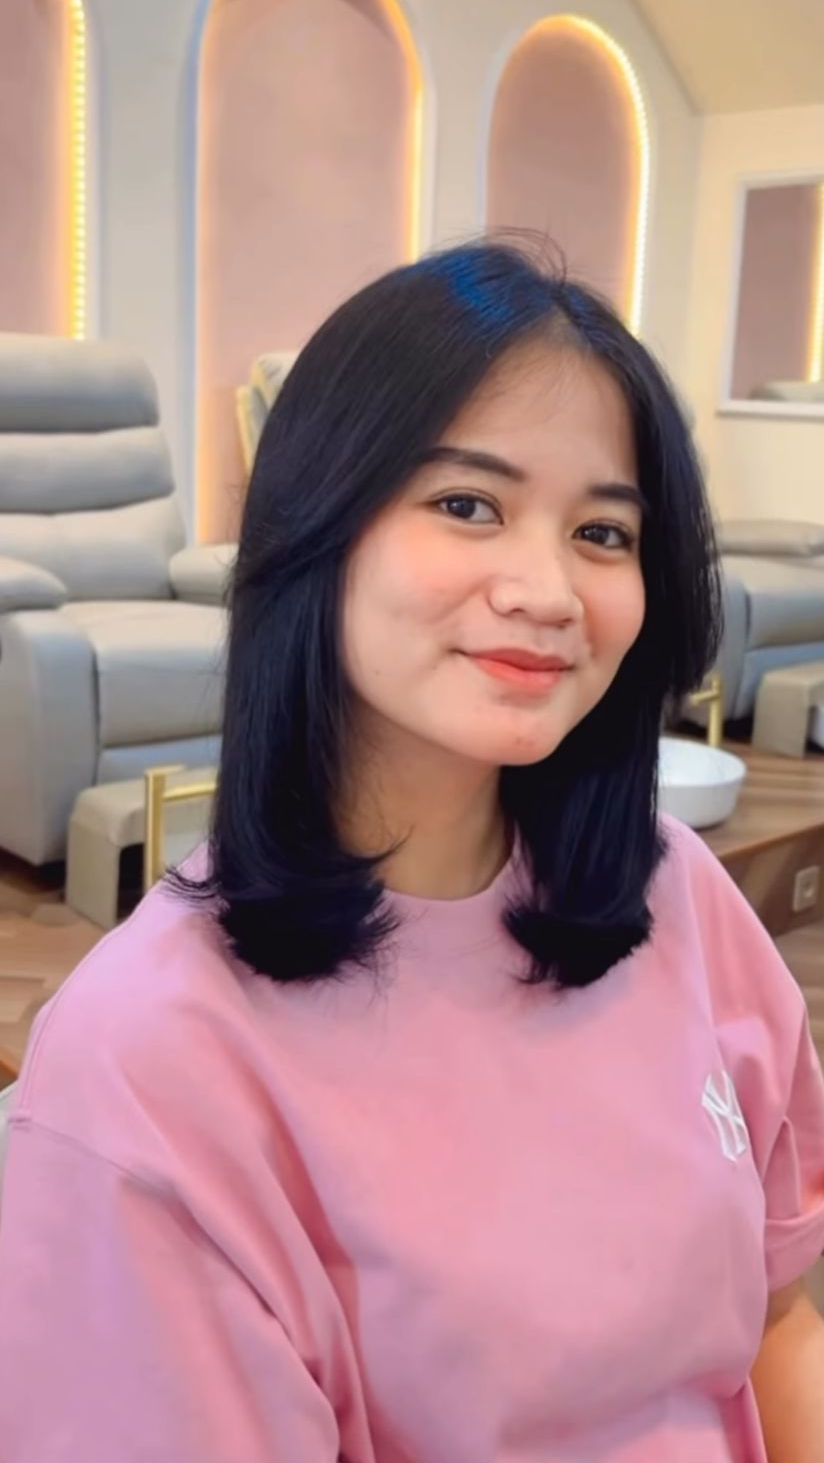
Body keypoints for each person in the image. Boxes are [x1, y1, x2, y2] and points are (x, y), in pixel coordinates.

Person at [1, 241, 823, 1462]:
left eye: (602, 531)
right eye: (466, 505)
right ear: (315, 524)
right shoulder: (151, 1064)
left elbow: (777, 1322)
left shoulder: (680, 894)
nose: (547, 589)